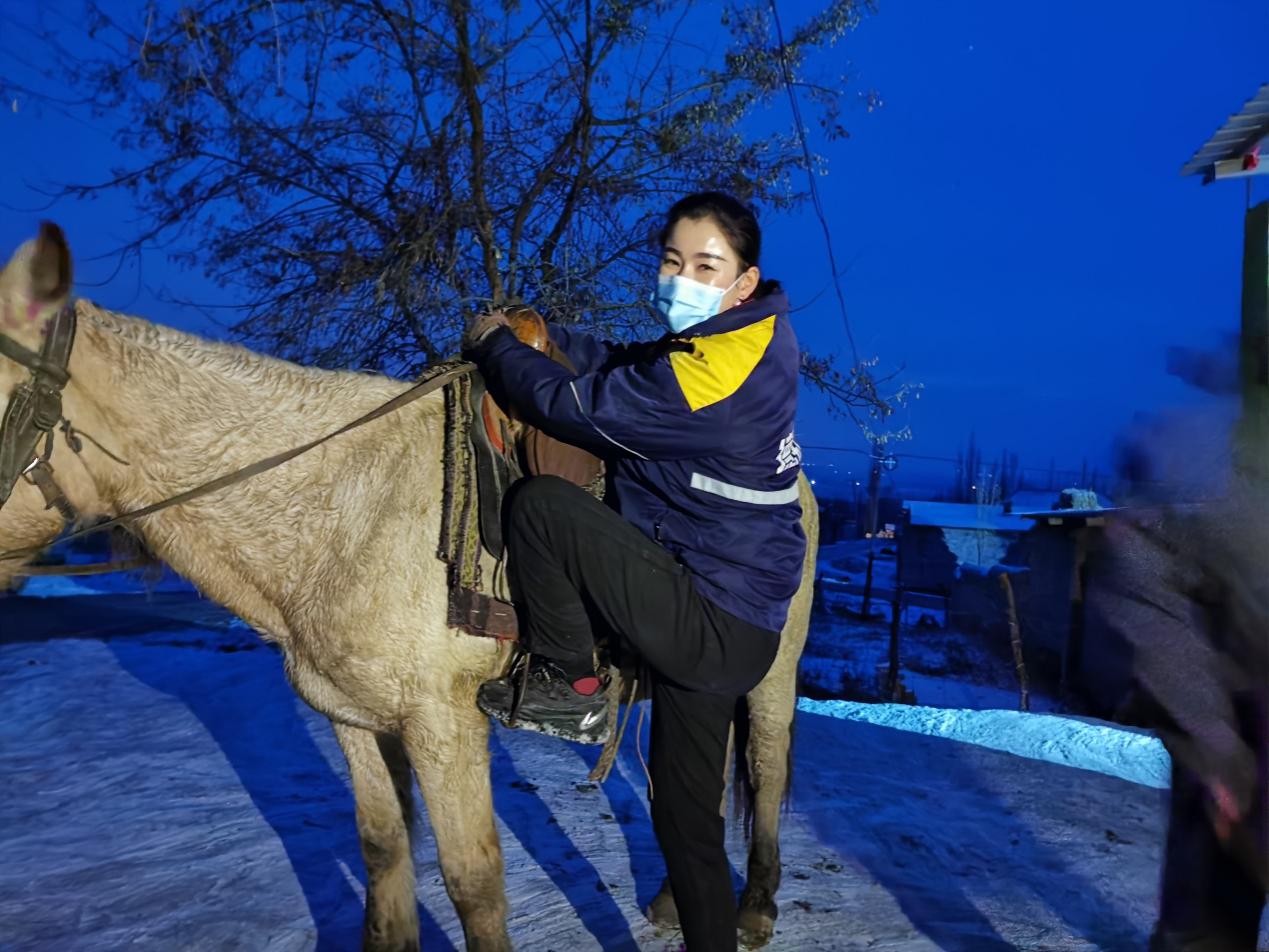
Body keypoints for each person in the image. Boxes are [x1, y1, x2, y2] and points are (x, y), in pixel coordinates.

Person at [463, 191, 806, 951]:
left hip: (711, 618)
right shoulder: (744, 337)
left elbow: (572, 406)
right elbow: (625, 363)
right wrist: (551, 335)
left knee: (543, 506)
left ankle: (569, 684)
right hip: (735, 617)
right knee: (685, 822)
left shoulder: (711, 380)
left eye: (706, 264)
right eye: (672, 259)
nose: (682, 276)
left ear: (742, 279)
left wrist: (494, 346)